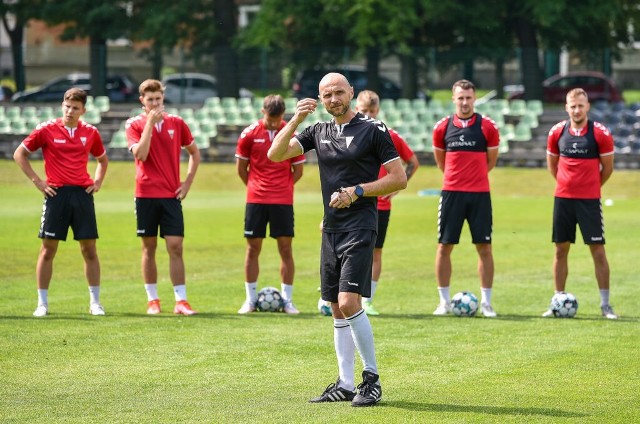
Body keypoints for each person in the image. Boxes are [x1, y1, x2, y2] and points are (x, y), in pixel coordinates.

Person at [268, 73, 407, 407]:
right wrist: (297, 118)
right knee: (335, 307)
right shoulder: (318, 130)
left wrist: (357, 191)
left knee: (348, 301)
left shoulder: (374, 130)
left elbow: (399, 178)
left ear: (351, 93)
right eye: (326, 95)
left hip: (360, 226)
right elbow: (276, 154)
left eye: (339, 93)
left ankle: (371, 380)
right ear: (320, 98)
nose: (333, 99)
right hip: (331, 229)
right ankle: (345, 383)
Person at [13, 87, 108, 317]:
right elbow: (19, 154)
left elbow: (102, 160)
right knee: (48, 250)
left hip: (82, 195)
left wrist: (97, 181)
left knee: (89, 250)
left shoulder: (91, 132)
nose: (70, 111)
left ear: (83, 110)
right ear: (62, 106)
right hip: (56, 195)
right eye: (67, 106)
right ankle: (42, 303)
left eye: (75, 108)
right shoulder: (46, 129)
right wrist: (38, 182)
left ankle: (95, 303)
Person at [126, 79, 200, 315]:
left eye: (158, 98)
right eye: (150, 100)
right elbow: (142, 154)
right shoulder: (134, 124)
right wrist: (149, 123)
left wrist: (187, 182)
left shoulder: (177, 123)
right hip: (145, 194)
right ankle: (153, 300)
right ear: (142, 101)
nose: (155, 103)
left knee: (176, 246)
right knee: (149, 248)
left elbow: (194, 153)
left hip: (170, 195)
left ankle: (181, 301)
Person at [544, 88, 617, 319]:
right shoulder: (556, 132)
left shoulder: (600, 133)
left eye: (581, 105)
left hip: (589, 202)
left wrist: (591, 187)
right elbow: (552, 166)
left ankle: (605, 306)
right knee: (560, 250)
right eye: (572, 106)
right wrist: (568, 185)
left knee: (597, 252)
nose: (577, 109)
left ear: (588, 107)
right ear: (567, 108)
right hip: (563, 200)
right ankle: (557, 300)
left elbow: (608, 169)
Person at [431, 79, 500, 318]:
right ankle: (444, 302)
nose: (464, 102)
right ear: (453, 99)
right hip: (451, 194)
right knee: (444, 246)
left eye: (468, 98)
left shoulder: (487, 127)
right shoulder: (442, 127)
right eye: (460, 98)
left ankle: (487, 303)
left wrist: (475, 177)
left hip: (480, 194)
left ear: (475, 98)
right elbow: (442, 161)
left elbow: (491, 161)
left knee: (484, 247)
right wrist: (456, 179)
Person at [235, 94, 306, 314]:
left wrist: (282, 188)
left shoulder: (291, 133)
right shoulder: (249, 134)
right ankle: (250, 299)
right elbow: (241, 169)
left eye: (278, 119)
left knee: (286, 249)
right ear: (263, 112)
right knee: (253, 249)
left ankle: (287, 300)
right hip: (256, 199)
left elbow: (298, 171)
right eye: (270, 118)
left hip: (282, 201)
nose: (274, 123)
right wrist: (257, 187)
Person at [355, 90, 419, 316]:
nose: (368, 115)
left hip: (380, 205)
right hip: (355, 202)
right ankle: (336, 294)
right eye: (364, 111)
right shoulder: (350, 135)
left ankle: (367, 300)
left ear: (378, 111)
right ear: (357, 109)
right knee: (349, 250)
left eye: (372, 111)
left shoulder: (389, 135)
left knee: (376, 252)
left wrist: (396, 189)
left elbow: (413, 163)